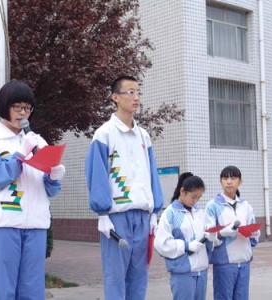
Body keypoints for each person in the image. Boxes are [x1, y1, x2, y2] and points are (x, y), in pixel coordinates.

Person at [0, 80, 66, 300]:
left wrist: (53, 177)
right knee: (2, 289)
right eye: (18, 107)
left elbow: (48, 189)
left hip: (35, 223)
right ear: (5, 106)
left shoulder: (38, 141)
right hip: (2, 223)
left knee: (33, 291)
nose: (23, 113)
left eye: (27, 108)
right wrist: (20, 158)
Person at [85, 75, 164, 300]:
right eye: (130, 92)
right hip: (116, 217)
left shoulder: (144, 136)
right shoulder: (104, 134)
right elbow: (96, 174)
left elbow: (152, 175)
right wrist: (102, 213)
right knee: (116, 276)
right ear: (115, 97)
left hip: (142, 215)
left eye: (138, 92)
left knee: (139, 276)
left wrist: (155, 211)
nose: (136, 97)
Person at [205, 165, 260, 300]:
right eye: (225, 178)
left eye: (233, 178)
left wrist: (252, 233)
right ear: (221, 181)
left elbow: (255, 235)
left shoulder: (246, 206)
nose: (229, 181)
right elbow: (208, 235)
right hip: (224, 264)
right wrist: (223, 233)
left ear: (240, 182)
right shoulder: (212, 205)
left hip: (244, 262)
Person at [154, 172, 208, 300]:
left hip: (201, 271)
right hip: (182, 272)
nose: (195, 201)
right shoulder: (170, 213)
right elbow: (161, 244)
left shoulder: (199, 211)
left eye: (199, 198)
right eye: (193, 197)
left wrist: (212, 236)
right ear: (182, 192)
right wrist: (186, 246)